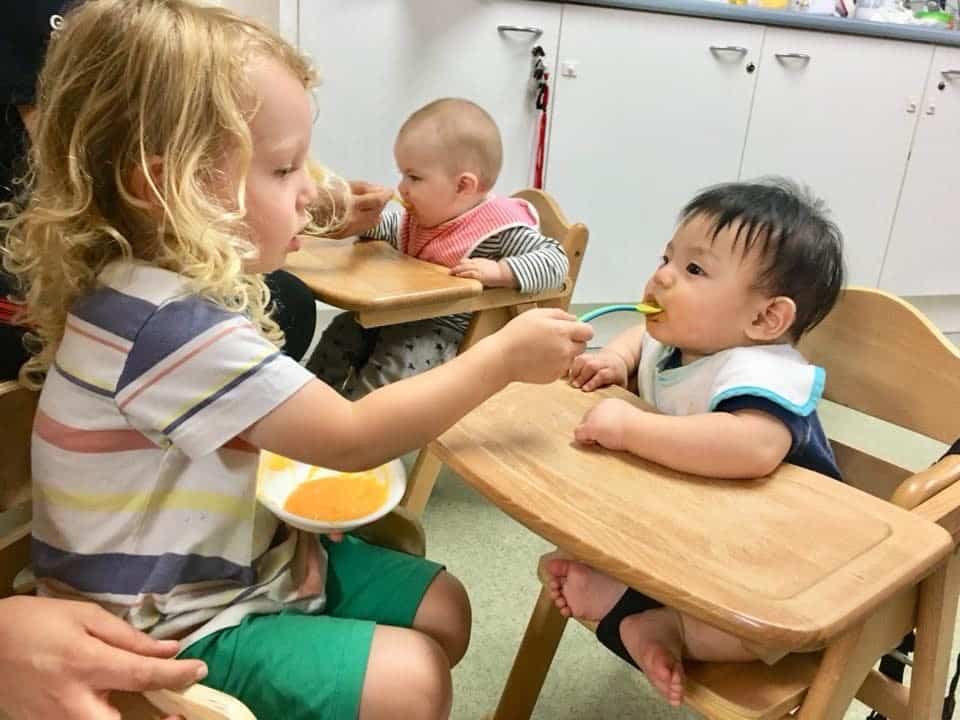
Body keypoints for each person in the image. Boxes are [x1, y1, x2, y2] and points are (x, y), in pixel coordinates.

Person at [1, 3, 592, 720]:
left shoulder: (145, 291)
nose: (309, 191)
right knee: (416, 681)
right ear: (164, 187)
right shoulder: (167, 324)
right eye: (284, 170)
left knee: (446, 609)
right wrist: (500, 357)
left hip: (228, 557)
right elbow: (350, 437)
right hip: (163, 622)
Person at [546, 179, 845, 707]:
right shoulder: (682, 340)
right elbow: (641, 337)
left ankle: (673, 629)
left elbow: (752, 446)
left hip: (780, 559)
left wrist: (631, 428)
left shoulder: (763, 369)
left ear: (765, 319)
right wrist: (618, 358)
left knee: (764, 631)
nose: (661, 275)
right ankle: (628, 595)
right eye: (667, 257)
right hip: (702, 529)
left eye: (694, 270)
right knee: (594, 529)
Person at [308, 97, 570, 398]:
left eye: (414, 177)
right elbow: (391, 227)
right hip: (401, 316)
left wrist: (502, 271)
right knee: (343, 330)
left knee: (395, 362)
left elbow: (556, 262)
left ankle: (366, 424)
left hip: (450, 334)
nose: (402, 187)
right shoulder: (424, 217)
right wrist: (361, 218)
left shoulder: (498, 228)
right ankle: (314, 406)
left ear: (463, 186)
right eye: (402, 174)